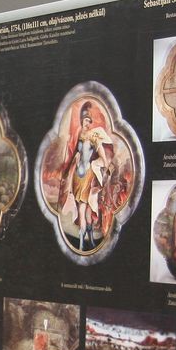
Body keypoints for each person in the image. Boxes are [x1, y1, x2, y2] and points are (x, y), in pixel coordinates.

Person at [57, 102, 114, 251]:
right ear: (82, 121)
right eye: (85, 120)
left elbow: (101, 152)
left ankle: (86, 241)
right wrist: (71, 165)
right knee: (82, 209)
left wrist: (103, 164)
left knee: (86, 210)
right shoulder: (78, 136)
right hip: (78, 177)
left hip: (88, 174)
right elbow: (75, 154)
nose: (87, 123)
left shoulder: (93, 136)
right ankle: (85, 242)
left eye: (89, 121)